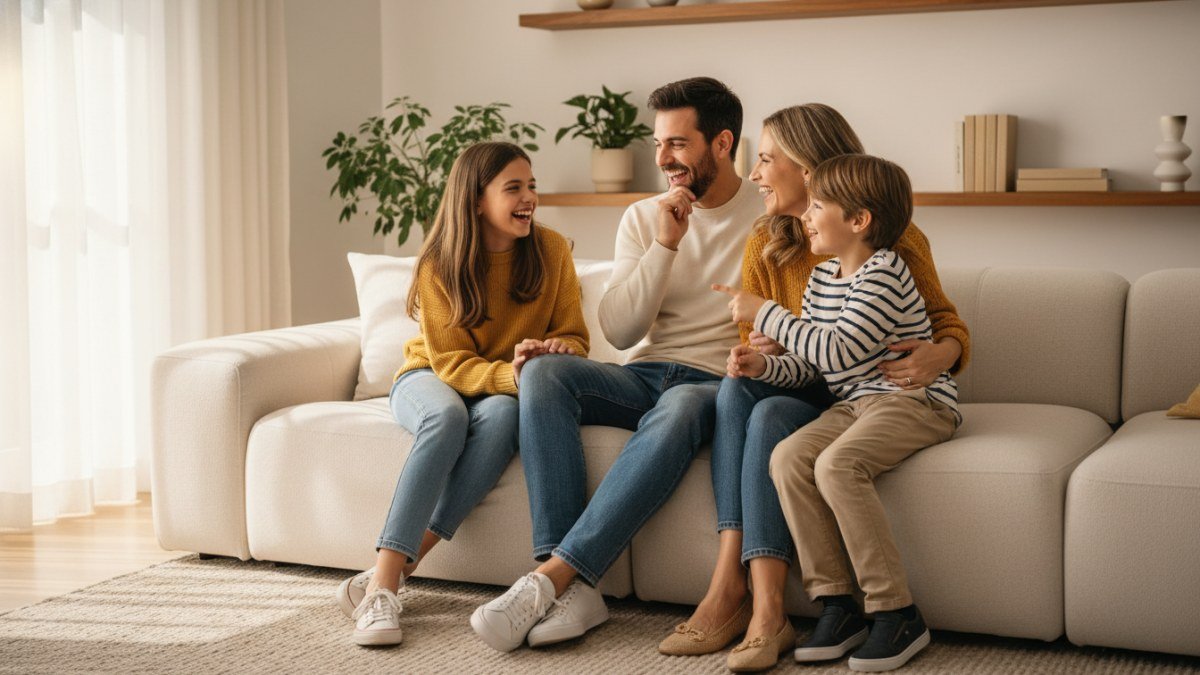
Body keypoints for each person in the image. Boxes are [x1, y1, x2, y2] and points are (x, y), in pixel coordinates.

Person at [666, 104, 969, 672]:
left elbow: (847, 346)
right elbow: (810, 361)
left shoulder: (888, 258)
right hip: (849, 396)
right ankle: (827, 601)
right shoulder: (812, 264)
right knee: (780, 449)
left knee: (834, 465)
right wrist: (761, 363)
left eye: (764, 160)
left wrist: (943, 353)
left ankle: (893, 610)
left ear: (808, 173)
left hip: (906, 397)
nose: (754, 175)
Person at [468, 77, 766, 653]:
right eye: (658, 144)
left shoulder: (768, 214)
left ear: (723, 143)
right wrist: (665, 244)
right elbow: (622, 331)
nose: (662, 159)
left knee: (680, 405)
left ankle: (551, 580)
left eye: (678, 144)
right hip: (644, 373)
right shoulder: (644, 217)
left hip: (716, 381)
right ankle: (571, 588)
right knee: (545, 371)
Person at [334, 141, 589, 647]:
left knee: (501, 422)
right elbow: (448, 363)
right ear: (476, 199)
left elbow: (577, 338)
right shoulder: (440, 262)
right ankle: (384, 584)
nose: (529, 198)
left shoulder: (553, 250)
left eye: (531, 186)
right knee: (448, 419)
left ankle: (398, 572)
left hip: (499, 388)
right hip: (428, 377)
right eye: (513, 188)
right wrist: (511, 377)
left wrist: (557, 349)